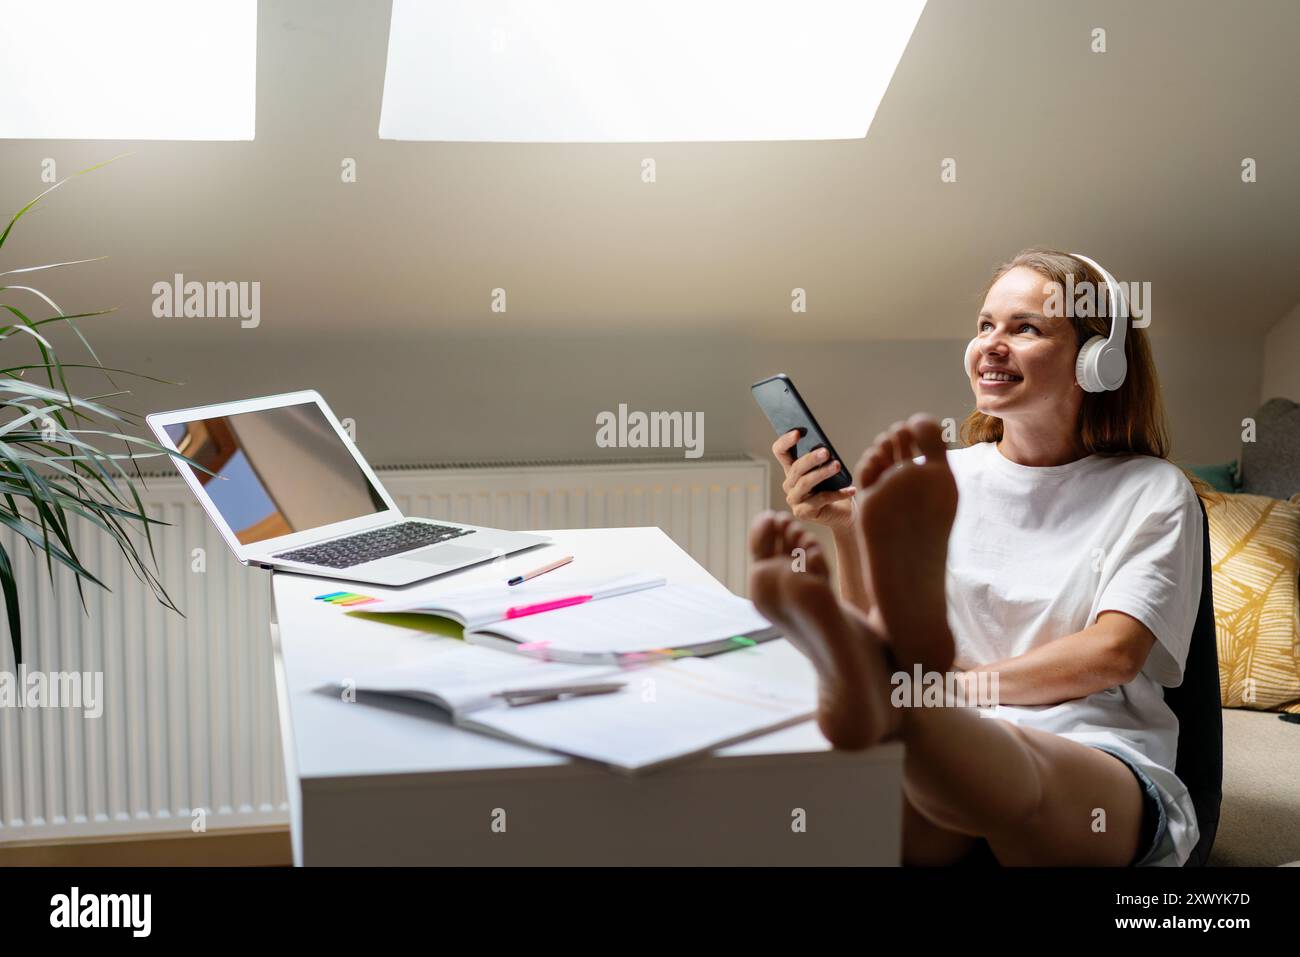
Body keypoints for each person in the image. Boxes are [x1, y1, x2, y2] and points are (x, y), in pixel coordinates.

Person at [755, 248, 1214, 865]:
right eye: (985, 325)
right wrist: (846, 530)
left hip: (1098, 757)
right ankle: (915, 716)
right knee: (903, 808)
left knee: (1014, 780)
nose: (992, 344)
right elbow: (882, 632)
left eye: (1025, 328)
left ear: (1096, 360)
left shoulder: (1152, 490)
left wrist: (956, 689)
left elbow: (1113, 654)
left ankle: (914, 715)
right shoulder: (942, 478)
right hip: (947, 743)